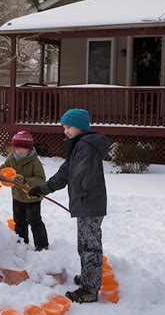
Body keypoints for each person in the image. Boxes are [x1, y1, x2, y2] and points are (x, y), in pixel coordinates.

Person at [28, 109, 110, 303]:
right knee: (84, 244)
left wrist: (80, 197)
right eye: (64, 127)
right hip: (86, 203)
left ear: (80, 127)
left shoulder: (85, 147)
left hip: (89, 202)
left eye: (68, 127)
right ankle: (89, 277)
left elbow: (80, 175)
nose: (65, 131)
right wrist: (43, 188)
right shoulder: (79, 146)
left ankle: (90, 289)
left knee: (90, 246)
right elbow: (65, 173)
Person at [0, 131, 48, 251]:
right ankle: (21, 243)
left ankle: (42, 244)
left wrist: (25, 180)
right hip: (17, 197)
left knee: (34, 221)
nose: (18, 151)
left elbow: (40, 179)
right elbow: (4, 168)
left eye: (21, 148)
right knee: (19, 221)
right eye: (16, 148)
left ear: (28, 148)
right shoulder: (12, 158)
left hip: (32, 197)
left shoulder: (35, 162)